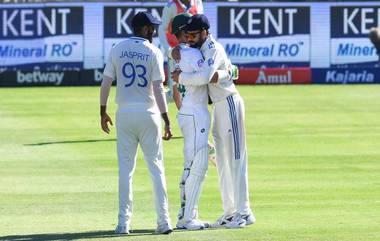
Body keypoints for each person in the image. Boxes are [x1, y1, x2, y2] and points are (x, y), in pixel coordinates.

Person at [171, 14, 256, 229]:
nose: (189, 39)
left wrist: (180, 76)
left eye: (193, 35)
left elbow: (206, 77)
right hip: (218, 107)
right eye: (187, 35)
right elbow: (218, 73)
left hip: (229, 102)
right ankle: (230, 211)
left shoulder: (213, 48)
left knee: (236, 159)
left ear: (205, 33)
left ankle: (244, 212)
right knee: (223, 162)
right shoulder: (198, 48)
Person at [100, 11, 173, 235]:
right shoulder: (154, 51)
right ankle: (163, 222)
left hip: (124, 114)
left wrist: (102, 112)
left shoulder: (117, 48)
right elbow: (159, 89)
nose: (153, 31)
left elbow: (105, 83)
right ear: (142, 28)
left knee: (125, 171)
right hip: (149, 114)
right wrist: (166, 118)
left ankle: (123, 224)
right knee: (156, 169)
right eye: (151, 27)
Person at [169, 12, 210, 230]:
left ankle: (185, 213)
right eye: (190, 31)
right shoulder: (192, 55)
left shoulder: (174, 54)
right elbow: (208, 76)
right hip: (196, 112)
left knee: (189, 165)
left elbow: (175, 89)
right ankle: (188, 217)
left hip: (186, 111)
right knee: (198, 165)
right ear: (185, 32)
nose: (193, 35)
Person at [158, 0, 203, 100]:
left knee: (192, 89)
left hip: (193, 51)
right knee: (174, 92)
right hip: (177, 53)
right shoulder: (171, 5)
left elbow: (200, 24)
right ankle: (152, 102)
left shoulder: (198, 2)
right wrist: (169, 50)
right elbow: (161, 29)